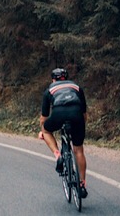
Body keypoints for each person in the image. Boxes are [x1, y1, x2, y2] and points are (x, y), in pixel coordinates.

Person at [38, 68, 88, 198]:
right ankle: (82, 184)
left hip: (58, 114)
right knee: (79, 150)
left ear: (53, 79)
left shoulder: (49, 90)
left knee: (46, 129)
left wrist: (42, 130)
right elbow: (84, 113)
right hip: (77, 115)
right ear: (66, 78)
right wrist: (81, 126)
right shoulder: (76, 87)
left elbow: (44, 117)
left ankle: (58, 155)